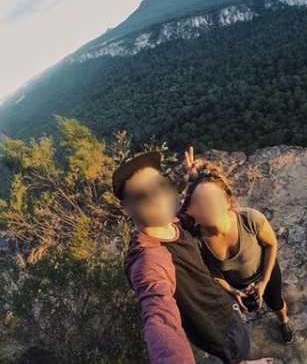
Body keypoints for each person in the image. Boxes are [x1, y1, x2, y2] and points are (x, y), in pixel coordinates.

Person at [113, 151, 271, 364]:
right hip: (211, 326)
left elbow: (192, 208)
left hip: (222, 303)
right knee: (236, 352)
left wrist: (195, 178)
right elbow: (159, 316)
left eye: (160, 185)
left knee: (239, 343)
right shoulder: (148, 259)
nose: (157, 196)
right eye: (141, 195)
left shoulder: (174, 221)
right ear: (126, 207)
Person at [180, 148, 295, 345]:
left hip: (264, 271)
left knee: (275, 302)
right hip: (236, 284)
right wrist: (232, 290)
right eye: (200, 203)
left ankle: (284, 321)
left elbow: (271, 244)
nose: (208, 206)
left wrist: (264, 282)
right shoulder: (197, 240)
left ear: (228, 201)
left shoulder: (249, 218)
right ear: (192, 211)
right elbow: (211, 272)